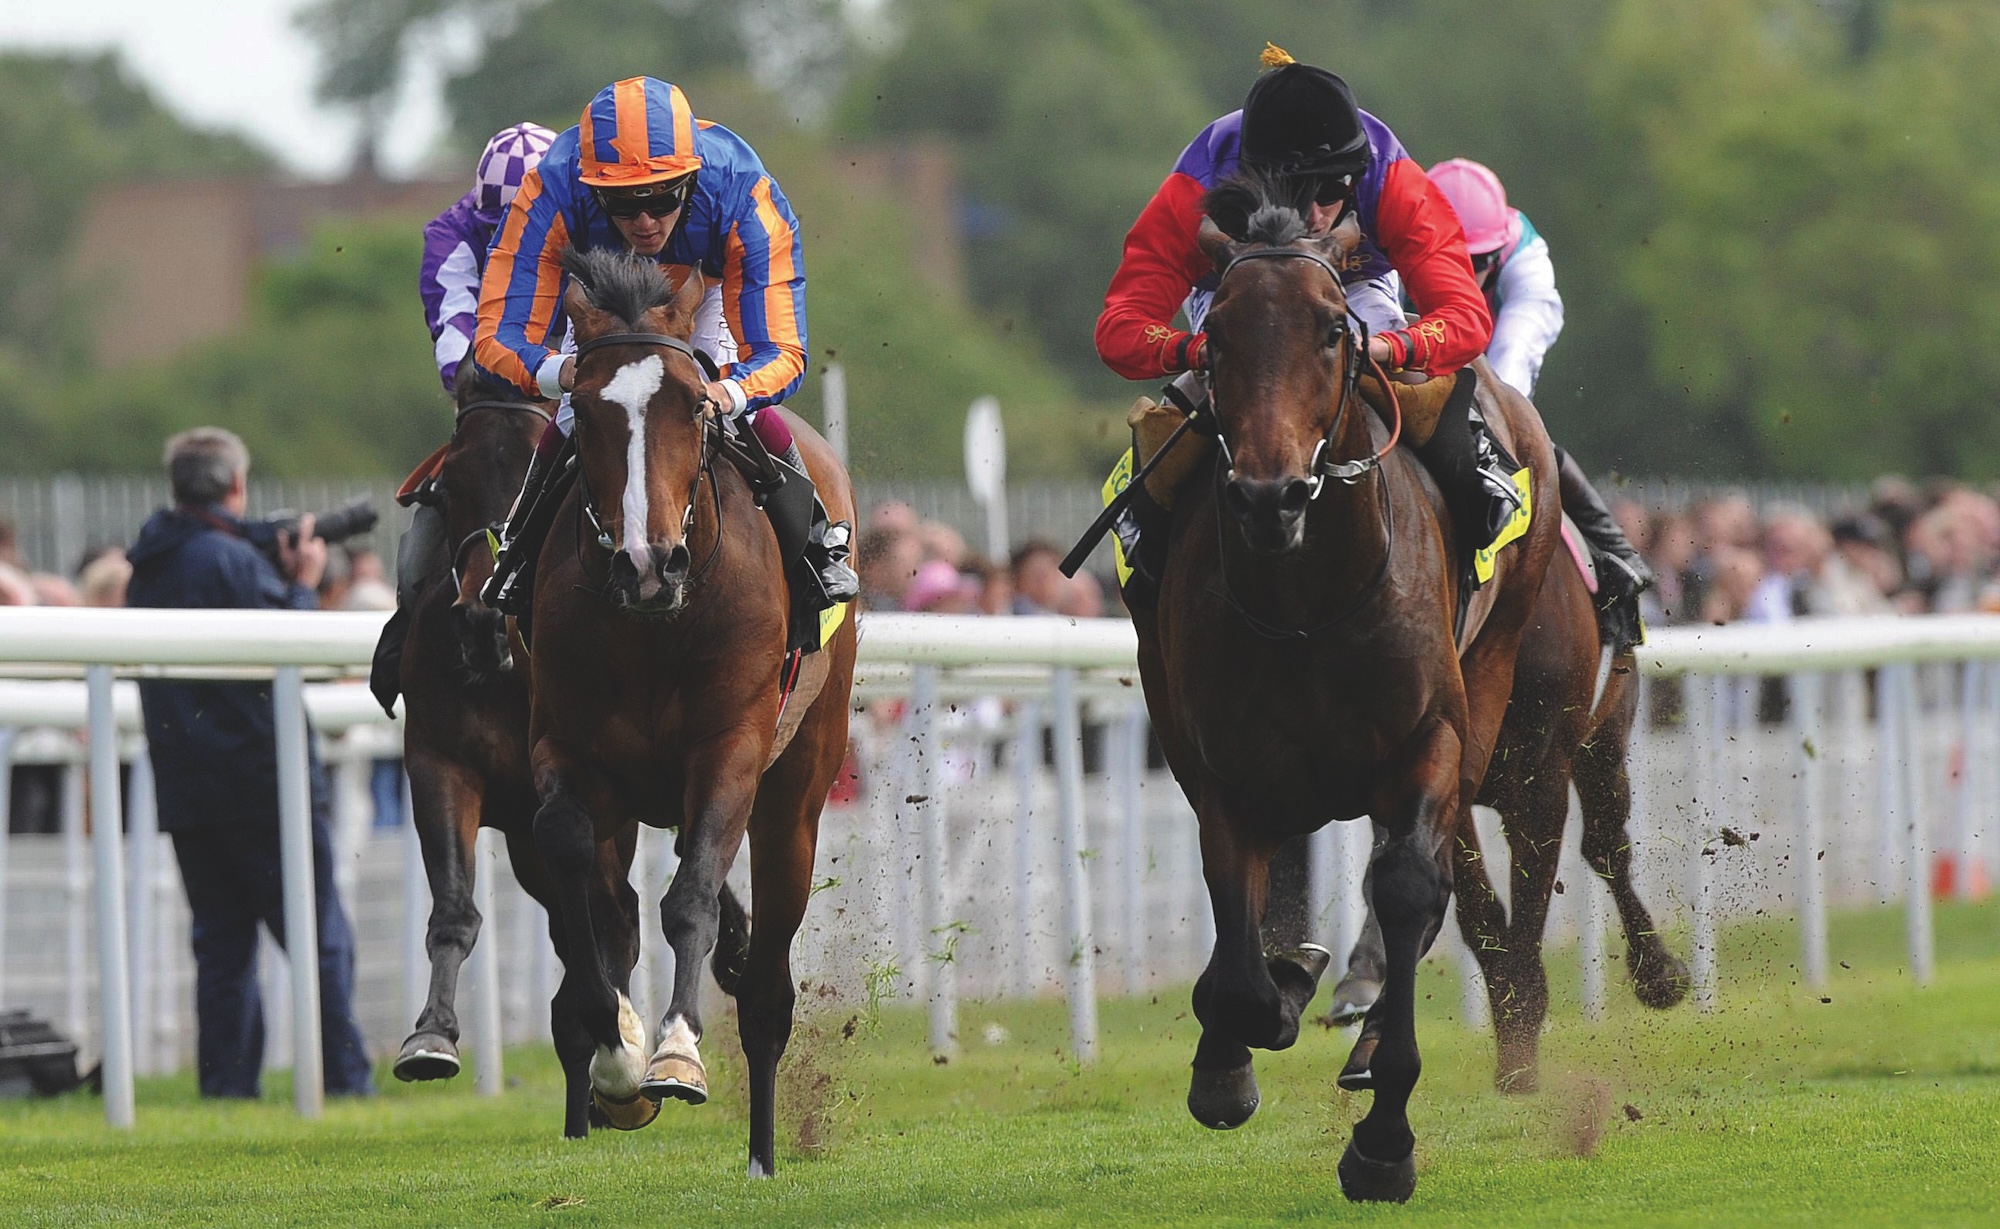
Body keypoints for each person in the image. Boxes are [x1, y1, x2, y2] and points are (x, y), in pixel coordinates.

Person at [1095, 49, 1647, 642]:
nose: (1310, 217)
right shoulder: (1193, 190)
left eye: (1325, 198)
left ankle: (1478, 487)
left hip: (1353, 283)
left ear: (1351, 180)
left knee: (1414, 381)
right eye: (1291, 197)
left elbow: (1464, 320)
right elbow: (1119, 327)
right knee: (1217, 385)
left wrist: (1388, 349)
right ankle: (1142, 524)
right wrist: (1196, 352)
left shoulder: (1390, 178)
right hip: (1237, 282)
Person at [473, 76, 857, 618]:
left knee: (730, 399)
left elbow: (781, 352)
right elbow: (496, 336)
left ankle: (816, 542)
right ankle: (518, 550)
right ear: (591, 188)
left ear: (691, 179)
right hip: (602, 300)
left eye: (661, 197)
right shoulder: (551, 190)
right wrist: (564, 374)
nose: (646, 222)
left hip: (701, 294)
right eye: (623, 205)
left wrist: (728, 390)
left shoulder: (745, 194)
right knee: (572, 413)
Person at [125, 428, 375, 1100]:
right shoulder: (230, 562)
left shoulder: (150, 561)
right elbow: (290, 653)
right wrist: (304, 583)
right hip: (266, 784)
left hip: (189, 787)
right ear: (235, 484)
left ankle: (228, 1090)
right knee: (320, 940)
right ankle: (345, 1081)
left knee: (222, 948)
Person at [373, 123, 558, 709]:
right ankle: (404, 648)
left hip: (569, 404)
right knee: (416, 557)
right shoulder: (451, 234)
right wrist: (470, 376)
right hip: (490, 403)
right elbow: (451, 320)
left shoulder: (586, 227)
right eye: (501, 226)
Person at [1425, 157, 1652, 623]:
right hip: (1417, 340)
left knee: (1509, 418)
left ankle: (1615, 555)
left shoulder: (1524, 260)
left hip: (1493, 345)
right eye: (1452, 263)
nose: (1466, 278)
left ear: (1500, 252)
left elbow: (1514, 359)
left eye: (1479, 264)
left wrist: (1496, 413)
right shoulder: (1387, 251)